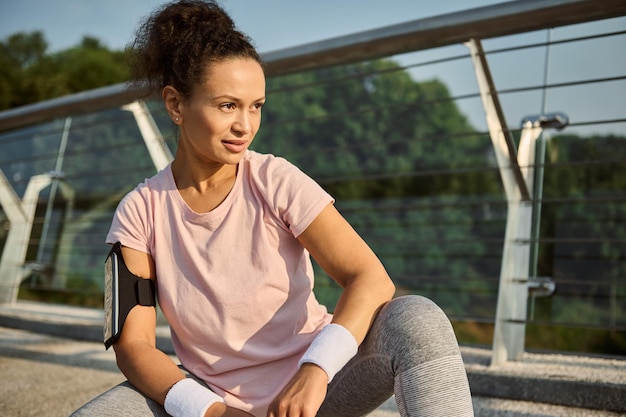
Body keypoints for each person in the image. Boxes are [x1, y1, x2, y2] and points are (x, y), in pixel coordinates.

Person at [71, 1, 474, 416]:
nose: (245, 125)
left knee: (415, 318)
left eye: (256, 106)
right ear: (175, 105)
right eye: (227, 105)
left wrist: (315, 370)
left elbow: (370, 279)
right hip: (211, 401)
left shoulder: (275, 179)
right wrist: (214, 412)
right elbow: (132, 346)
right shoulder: (139, 211)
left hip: (314, 392)